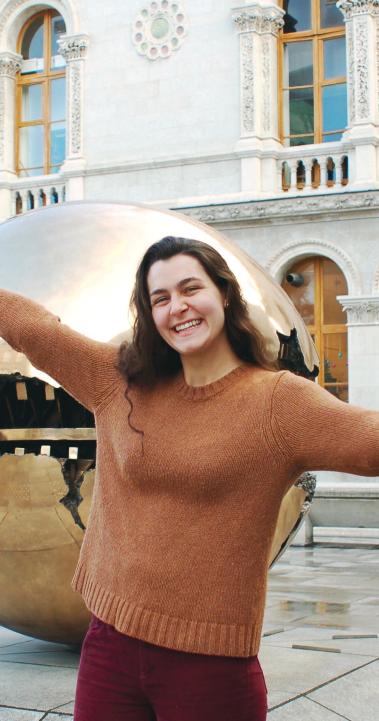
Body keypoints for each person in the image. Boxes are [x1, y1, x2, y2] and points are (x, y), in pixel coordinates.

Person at [1, 235, 379, 721]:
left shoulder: (278, 404)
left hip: (210, 666)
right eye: (160, 299)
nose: (178, 308)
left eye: (190, 289)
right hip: (109, 646)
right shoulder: (119, 382)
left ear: (223, 293)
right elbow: (36, 331)